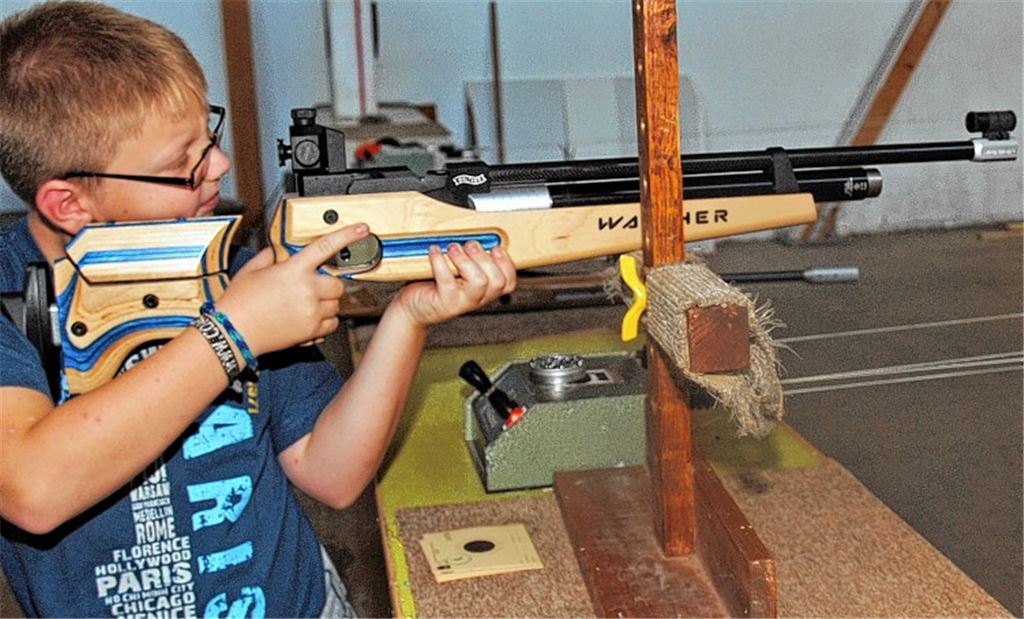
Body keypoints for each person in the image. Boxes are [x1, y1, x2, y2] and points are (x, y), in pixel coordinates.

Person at [0, 2, 516, 617]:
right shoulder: (13, 294)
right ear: (69, 203)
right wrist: (234, 333)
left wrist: (408, 318)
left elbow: (333, 473)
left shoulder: (230, 267)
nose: (218, 165)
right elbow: (32, 488)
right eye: (180, 164)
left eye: (208, 137)